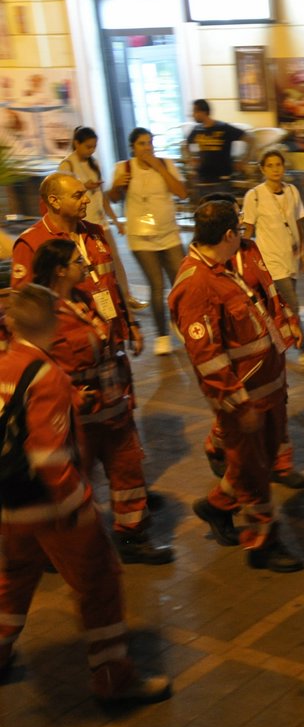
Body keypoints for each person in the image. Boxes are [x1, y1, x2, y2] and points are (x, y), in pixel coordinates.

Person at [0, 284, 171, 704]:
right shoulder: (47, 375)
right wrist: (77, 508)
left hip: (10, 504)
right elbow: (50, 458)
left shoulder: (6, 363)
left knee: (13, 580)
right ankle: (113, 678)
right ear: (55, 325)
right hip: (51, 506)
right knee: (99, 582)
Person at [168, 200, 304, 573]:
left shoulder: (220, 269)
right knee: (256, 474)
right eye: (239, 231)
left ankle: (216, 506)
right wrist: (236, 404)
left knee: (252, 464)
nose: (243, 237)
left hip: (266, 390)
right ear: (228, 234)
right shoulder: (197, 283)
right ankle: (263, 544)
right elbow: (207, 357)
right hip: (246, 400)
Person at [28, 239, 169, 565]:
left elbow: (109, 341)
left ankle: (133, 538)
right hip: (76, 420)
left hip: (113, 408)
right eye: (79, 261)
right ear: (60, 270)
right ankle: (55, 546)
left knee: (128, 470)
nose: (86, 266)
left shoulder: (85, 299)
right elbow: (34, 366)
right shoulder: (41, 314)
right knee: (70, 486)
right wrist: (71, 396)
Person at [201, 191, 304, 492]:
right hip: (242, 354)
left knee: (278, 402)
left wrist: (289, 322)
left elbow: (269, 290)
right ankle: (217, 443)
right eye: (236, 219)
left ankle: (281, 464)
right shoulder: (213, 267)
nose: (241, 224)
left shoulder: (251, 250)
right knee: (244, 406)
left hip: (269, 344)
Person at [9, 172, 144, 371]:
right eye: (77, 195)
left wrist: (131, 324)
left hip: (110, 338)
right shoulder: (31, 243)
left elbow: (112, 282)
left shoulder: (95, 233)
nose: (87, 199)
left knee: (119, 398)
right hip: (71, 355)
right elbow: (23, 307)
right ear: (54, 201)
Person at [110, 126, 186, 355]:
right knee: (156, 284)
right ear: (133, 147)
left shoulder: (165, 164)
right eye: (142, 143)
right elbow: (112, 197)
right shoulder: (123, 168)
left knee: (181, 284)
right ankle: (162, 336)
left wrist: (158, 168)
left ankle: (180, 323)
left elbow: (182, 192)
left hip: (169, 234)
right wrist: (117, 185)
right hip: (141, 238)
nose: (147, 147)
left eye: (150, 143)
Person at [242, 149, 304, 371]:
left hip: (289, 257)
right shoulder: (254, 195)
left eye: (279, 165)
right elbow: (249, 229)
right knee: (292, 304)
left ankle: (271, 343)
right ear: (263, 169)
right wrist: (242, 258)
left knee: (279, 306)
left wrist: (303, 252)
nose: (275, 169)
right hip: (269, 259)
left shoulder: (292, 191)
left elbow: (297, 223)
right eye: (270, 165)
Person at [61, 126, 141, 310]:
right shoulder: (67, 165)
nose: (91, 150)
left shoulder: (93, 163)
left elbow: (101, 196)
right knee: (91, 264)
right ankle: (99, 301)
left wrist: (114, 219)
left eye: (94, 147)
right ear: (76, 143)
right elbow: (66, 194)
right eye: (88, 146)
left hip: (100, 221)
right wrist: (84, 186)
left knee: (114, 259)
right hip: (82, 223)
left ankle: (126, 296)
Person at [183, 99, 244, 190]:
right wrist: (190, 159)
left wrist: (244, 160)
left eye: (194, 111)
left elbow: (250, 138)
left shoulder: (223, 128)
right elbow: (185, 145)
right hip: (202, 178)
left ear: (203, 112)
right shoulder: (197, 129)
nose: (192, 115)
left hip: (222, 179)